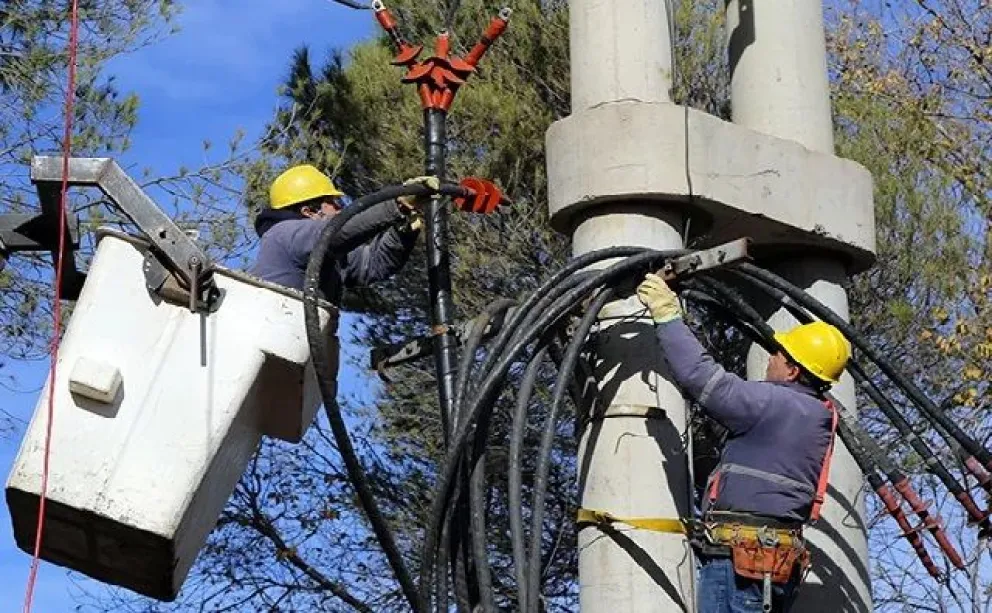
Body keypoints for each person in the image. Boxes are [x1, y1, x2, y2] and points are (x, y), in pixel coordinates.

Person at [636, 272, 851, 613]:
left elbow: (703, 379)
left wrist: (668, 317)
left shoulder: (773, 404)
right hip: (769, 563)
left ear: (793, 370)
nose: (771, 358)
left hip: (742, 565)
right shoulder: (816, 415)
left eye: (778, 354)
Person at [251, 164, 435, 299]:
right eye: (333, 203)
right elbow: (334, 232)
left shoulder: (329, 254)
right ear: (309, 212)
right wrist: (397, 204)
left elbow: (372, 263)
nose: (340, 208)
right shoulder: (284, 234)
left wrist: (402, 231)